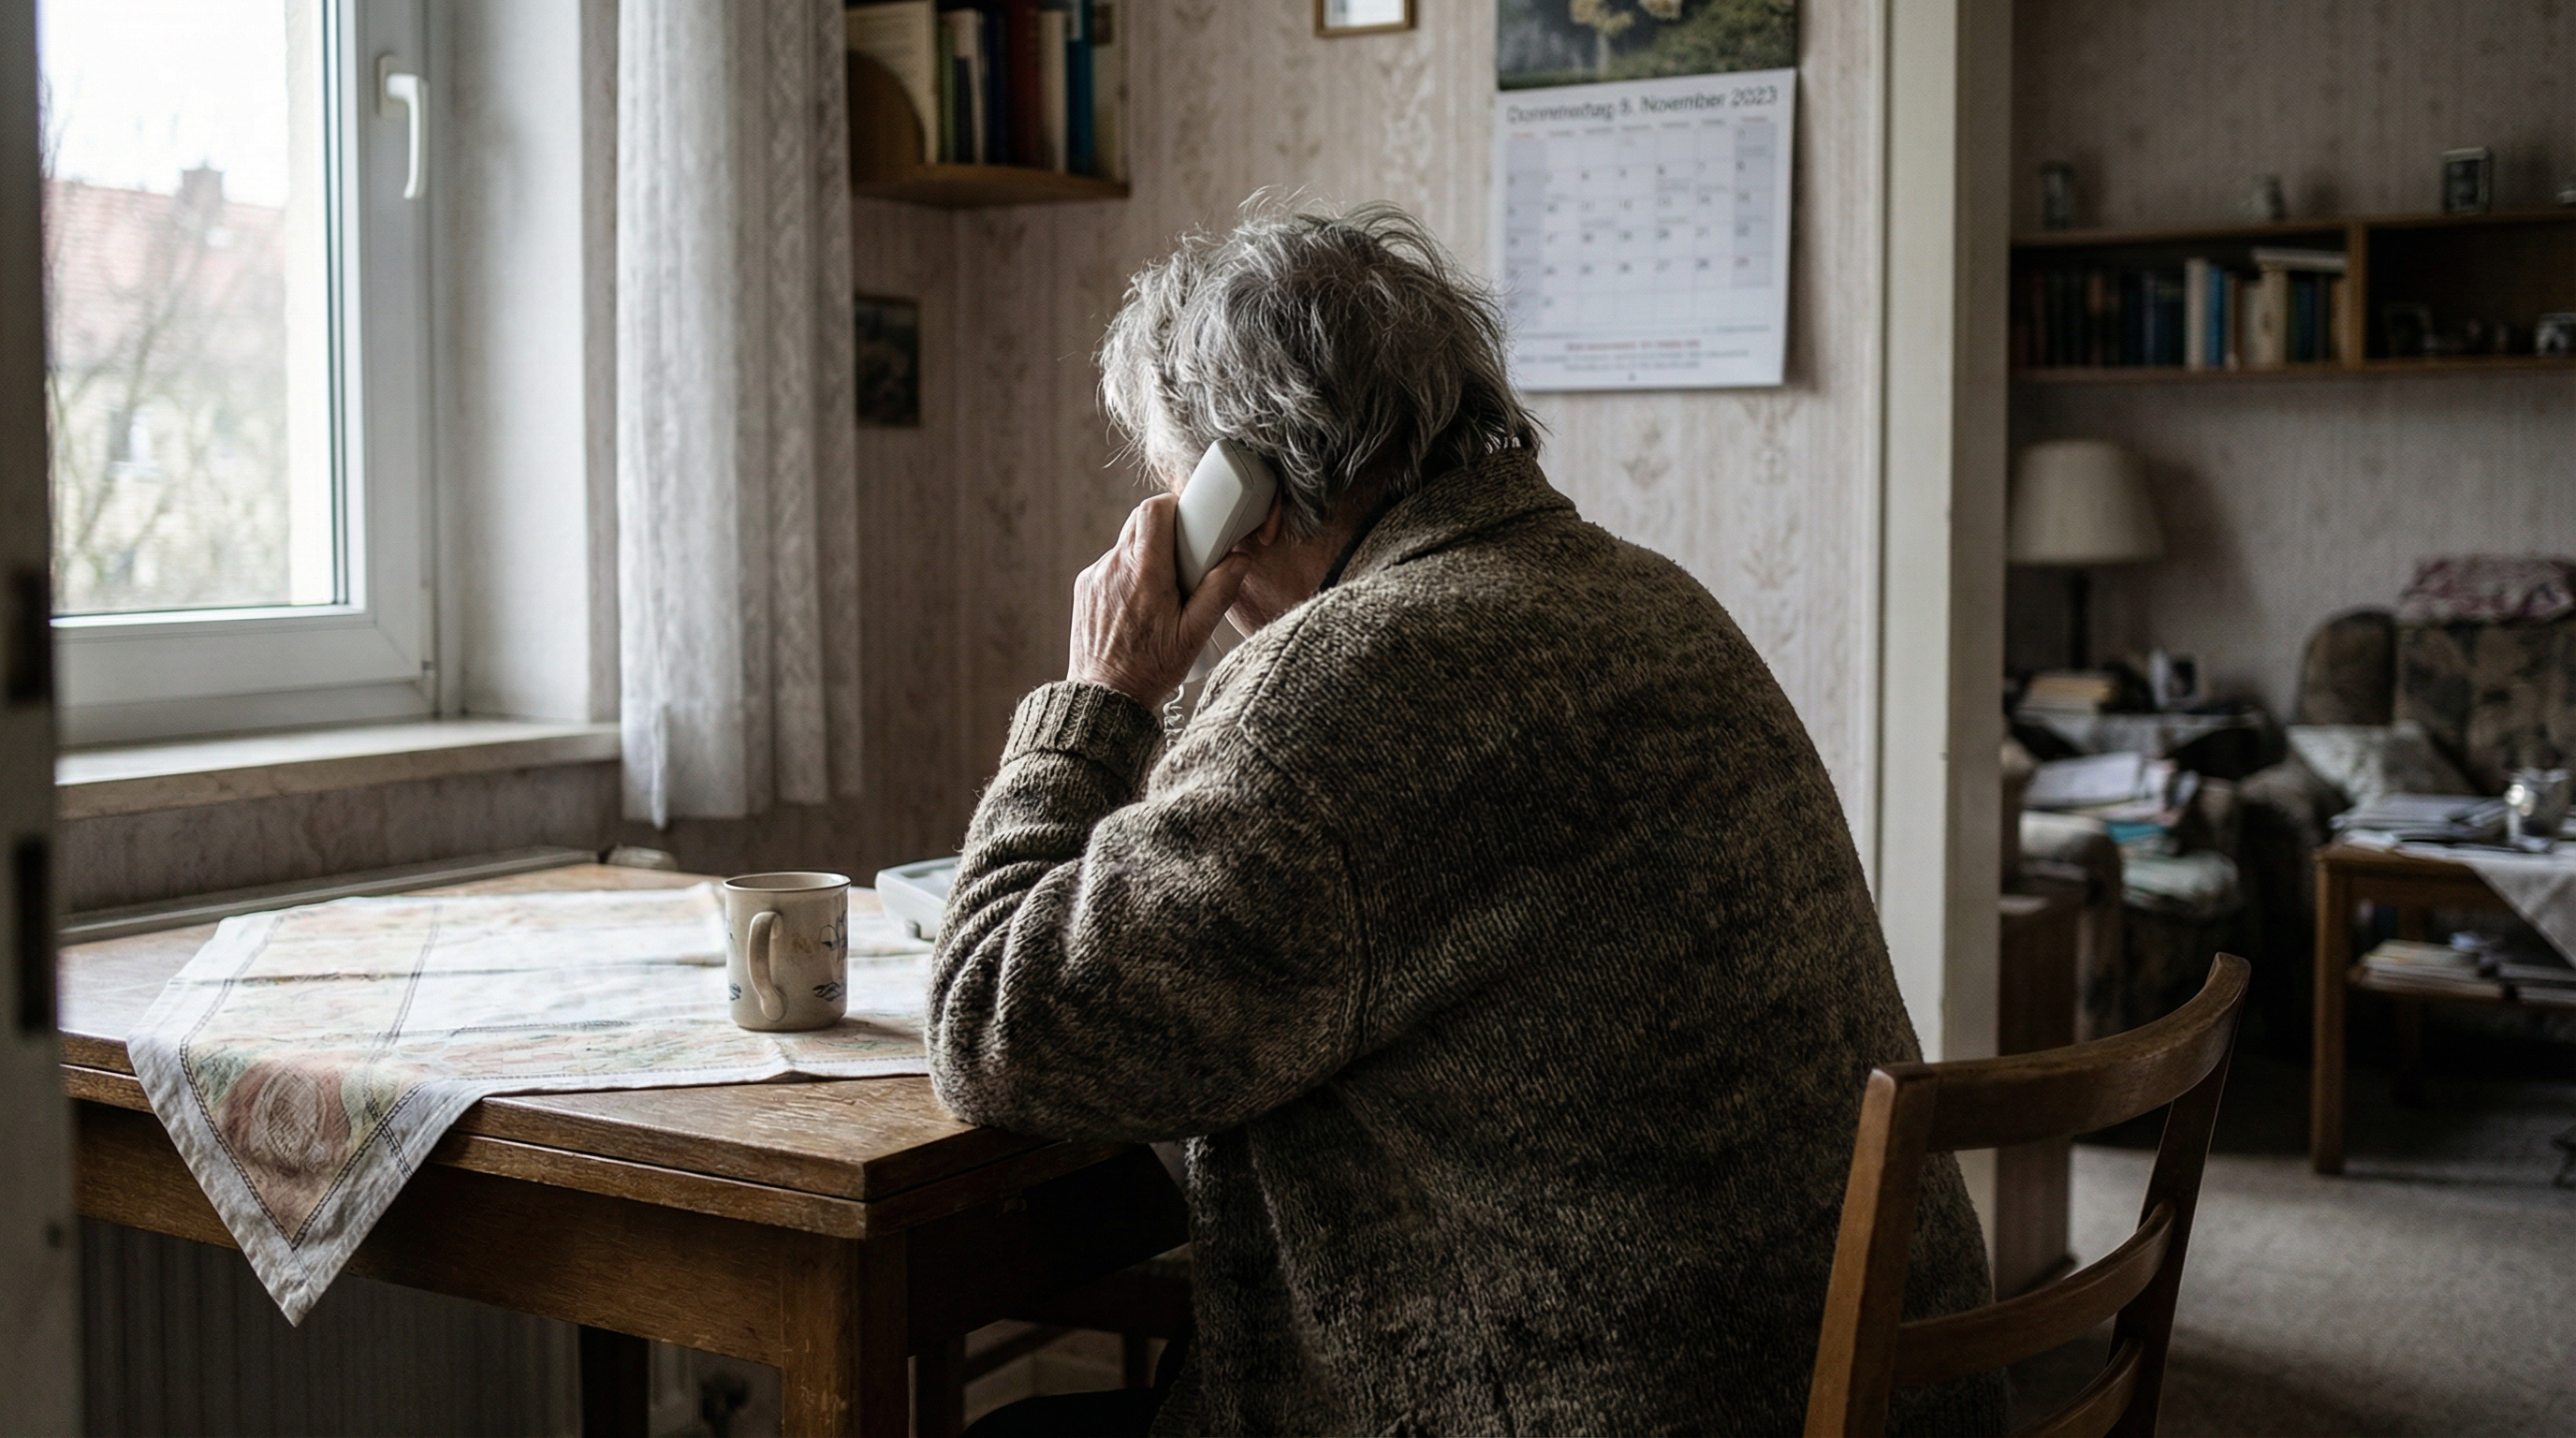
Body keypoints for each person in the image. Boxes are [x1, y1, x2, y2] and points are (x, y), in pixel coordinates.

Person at [928, 202, 2004, 1437]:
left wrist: (1099, 695)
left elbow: (988, 1026)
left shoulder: (1337, 692)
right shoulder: (1651, 598)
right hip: (1865, 1389)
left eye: (1175, 489)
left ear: (1248, 495)